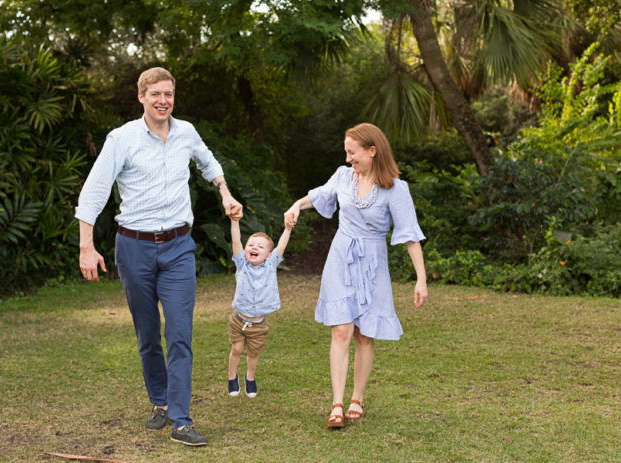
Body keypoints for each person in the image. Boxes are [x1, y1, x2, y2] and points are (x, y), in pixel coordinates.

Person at [75, 67, 242, 447]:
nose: (163, 100)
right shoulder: (122, 139)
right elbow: (95, 191)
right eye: (155, 94)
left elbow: (209, 163)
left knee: (180, 333)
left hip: (179, 247)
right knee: (148, 334)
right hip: (133, 247)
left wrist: (224, 192)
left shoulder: (187, 132)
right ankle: (160, 402)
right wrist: (87, 245)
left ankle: (181, 421)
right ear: (141, 97)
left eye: (168, 94)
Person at [283, 122, 427, 429]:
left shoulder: (395, 189)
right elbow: (320, 196)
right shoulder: (342, 176)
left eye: (353, 152)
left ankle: (357, 398)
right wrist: (297, 205)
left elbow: (410, 235)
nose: (349, 158)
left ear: (372, 151)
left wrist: (421, 279)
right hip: (341, 256)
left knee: (364, 334)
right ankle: (336, 403)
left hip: (373, 260)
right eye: (346, 152)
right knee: (341, 330)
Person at [226, 215, 293, 399]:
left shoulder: (271, 265)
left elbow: (281, 246)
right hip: (238, 320)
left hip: (259, 324)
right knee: (237, 349)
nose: (254, 247)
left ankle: (250, 378)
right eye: (251, 245)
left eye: (260, 246)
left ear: (268, 255)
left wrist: (287, 228)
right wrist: (235, 221)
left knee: (253, 353)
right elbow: (236, 240)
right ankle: (232, 377)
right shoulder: (242, 264)